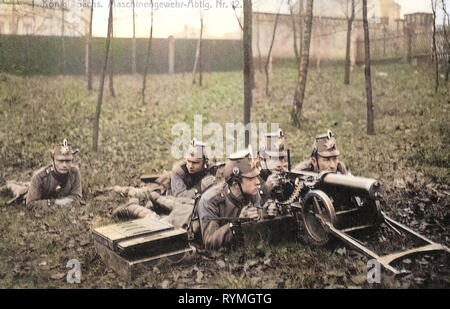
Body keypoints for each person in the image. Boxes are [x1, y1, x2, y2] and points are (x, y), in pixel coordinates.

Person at [195, 148, 276, 250]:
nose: (258, 182)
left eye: (256, 177)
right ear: (235, 183)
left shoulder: (251, 192)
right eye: (251, 178)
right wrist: (238, 223)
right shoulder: (210, 200)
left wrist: (265, 213)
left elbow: (257, 223)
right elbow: (209, 242)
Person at [26, 139, 82, 212]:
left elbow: (77, 197)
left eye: (68, 161)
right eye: (60, 161)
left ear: (72, 160)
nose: (64, 165)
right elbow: (30, 204)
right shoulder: (40, 177)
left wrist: (62, 202)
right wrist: (54, 203)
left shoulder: (74, 172)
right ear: (53, 160)